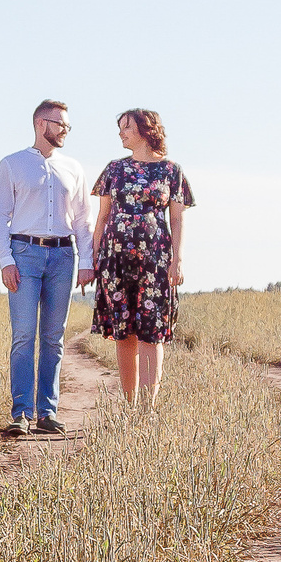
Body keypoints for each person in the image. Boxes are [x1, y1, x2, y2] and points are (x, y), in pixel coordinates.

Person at [0, 98, 96, 435]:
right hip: (24, 254)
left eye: (67, 125)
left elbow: (82, 219)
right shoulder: (12, 164)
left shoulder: (73, 168)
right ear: (40, 123)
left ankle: (47, 413)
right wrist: (5, 260)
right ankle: (21, 413)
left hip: (64, 256)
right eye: (59, 124)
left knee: (54, 336)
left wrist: (87, 262)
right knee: (23, 335)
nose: (64, 130)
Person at [90, 108, 195, 409]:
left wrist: (178, 260)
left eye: (126, 127)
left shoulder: (171, 171)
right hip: (115, 261)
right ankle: (129, 405)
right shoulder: (113, 169)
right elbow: (102, 217)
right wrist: (94, 258)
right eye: (120, 128)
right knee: (124, 334)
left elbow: (177, 220)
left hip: (156, 261)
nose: (121, 133)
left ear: (145, 130)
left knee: (152, 332)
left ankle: (146, 412)